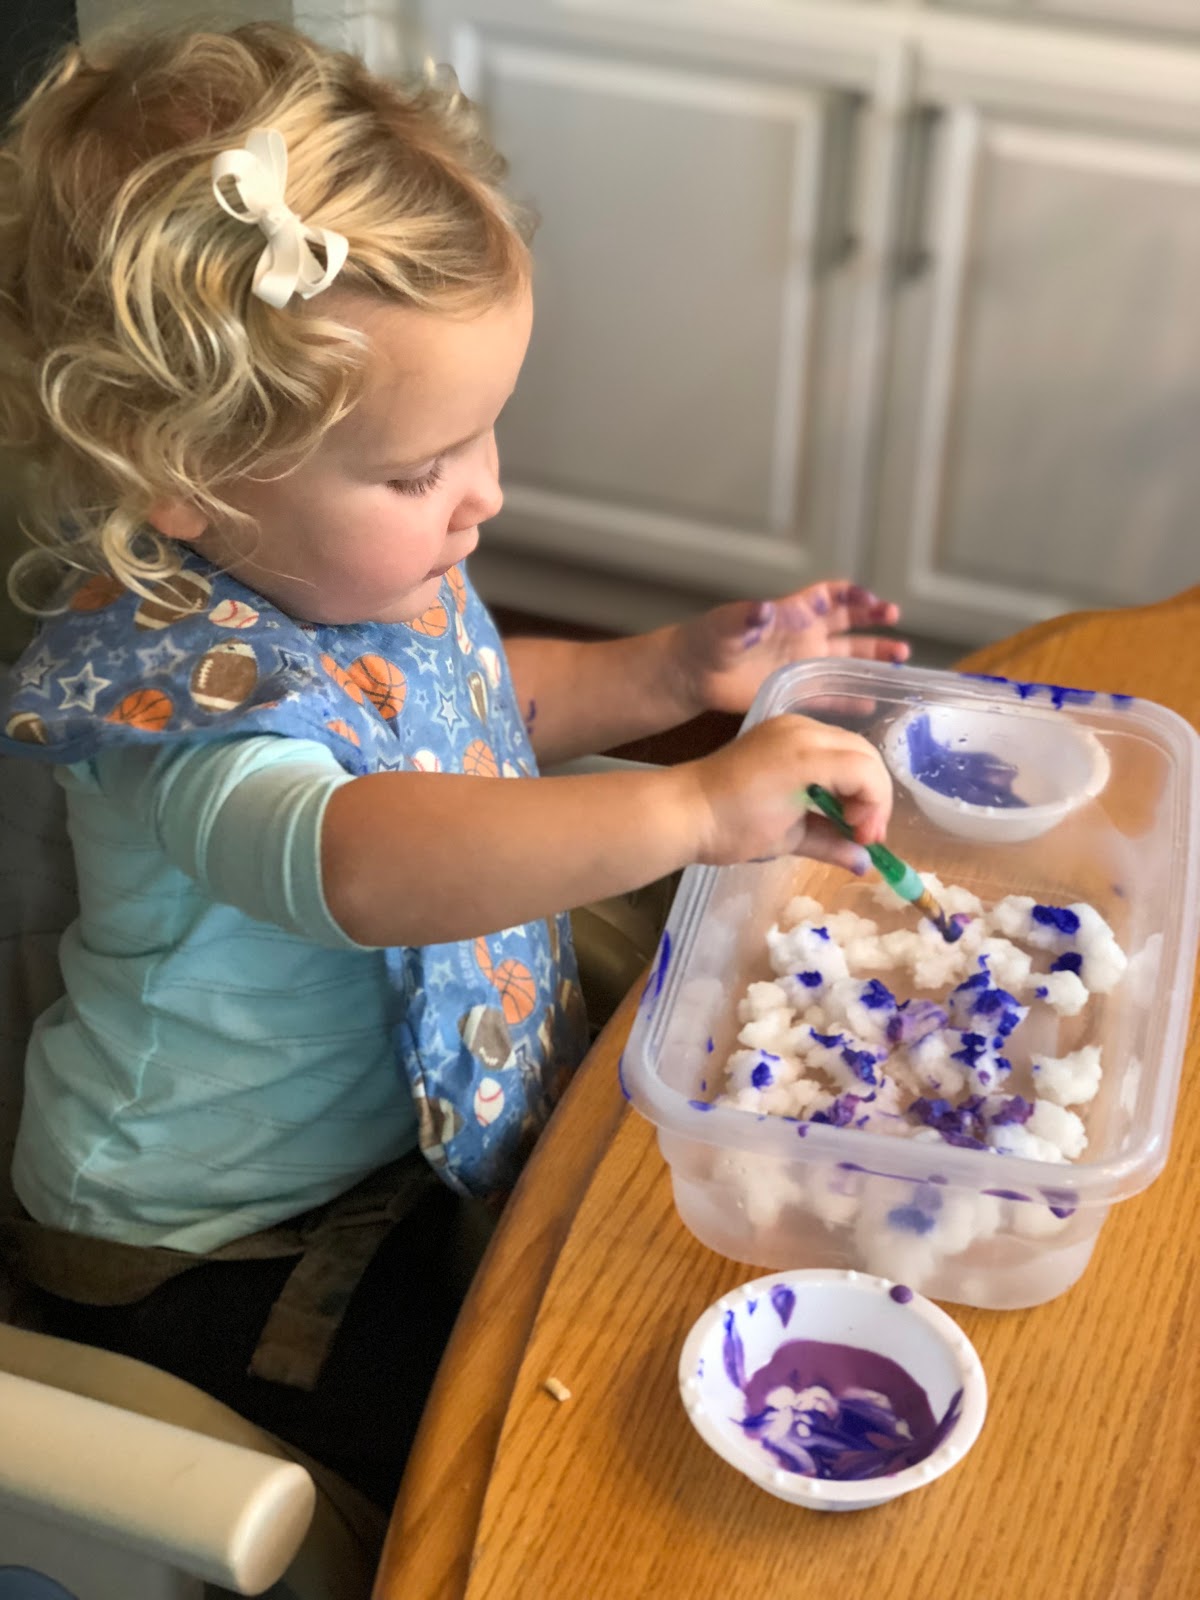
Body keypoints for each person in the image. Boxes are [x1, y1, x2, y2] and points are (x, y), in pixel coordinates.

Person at [0, 23, 903, 1509]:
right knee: (491, 1449)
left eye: (486, 435)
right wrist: (684, 804)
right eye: (422, 472)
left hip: (366, 1146)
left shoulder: (361, 571)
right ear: (189, 486)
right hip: (200, 1233)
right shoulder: (186, 716)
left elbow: (479, 711)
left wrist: (670, 675)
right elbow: (364, 856)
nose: (483, 496)